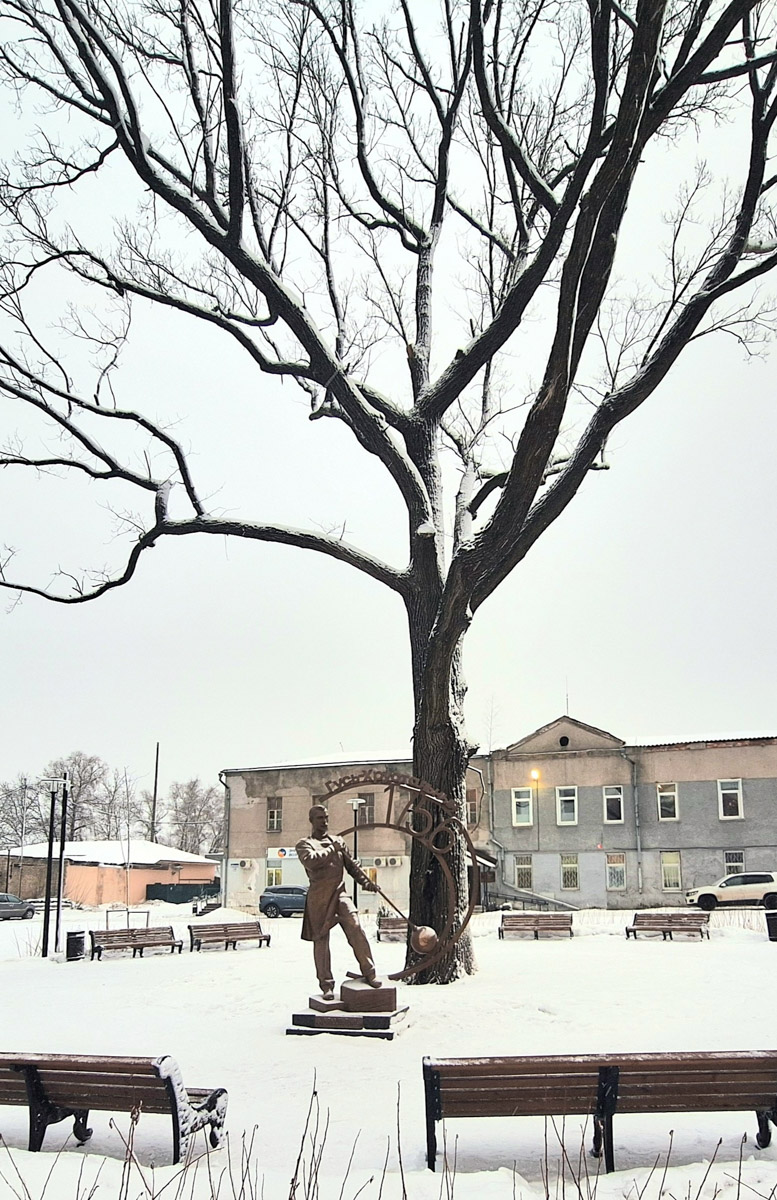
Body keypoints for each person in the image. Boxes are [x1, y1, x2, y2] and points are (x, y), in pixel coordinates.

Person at [296, 804, 381, 1000]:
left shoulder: (338, 842)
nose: (324, 822)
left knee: (355, 927)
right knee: (321, 941)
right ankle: (326, 985)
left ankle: (370, 972)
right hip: (319, 898)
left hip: (340, 894)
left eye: (326, 817)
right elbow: (311, 861)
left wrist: (367, 883)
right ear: (311, 821)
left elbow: (352, 867)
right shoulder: (304, 844)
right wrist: (332, 848)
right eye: (319, 818)